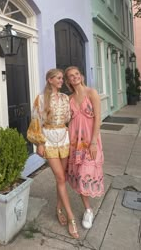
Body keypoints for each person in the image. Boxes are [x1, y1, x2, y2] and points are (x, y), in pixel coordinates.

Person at [27, 68, 79, 239]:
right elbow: (36, 121)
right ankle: (71, 218)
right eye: (58, 78)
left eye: (62, 78)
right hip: (48, 139)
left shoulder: (65, 98)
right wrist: (40, 143)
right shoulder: (41, 99)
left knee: (61, 178)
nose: (61, 80)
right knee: (60, 177)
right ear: (49, 80)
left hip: (63, 138)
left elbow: (71, 119)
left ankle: (58, 208)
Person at [64, 66, 104, 230]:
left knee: (86, 173)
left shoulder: (91, 93)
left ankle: (88, 209)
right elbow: (66, 120)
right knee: (80, 176)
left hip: (90, 141)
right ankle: (88, 209)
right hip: (75, 143)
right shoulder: (69, 98)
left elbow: (98, 118)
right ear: (68, 81)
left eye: (76, 74)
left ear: (81, 75)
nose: (74, 77)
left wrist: (93, 141)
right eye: (71, 76)